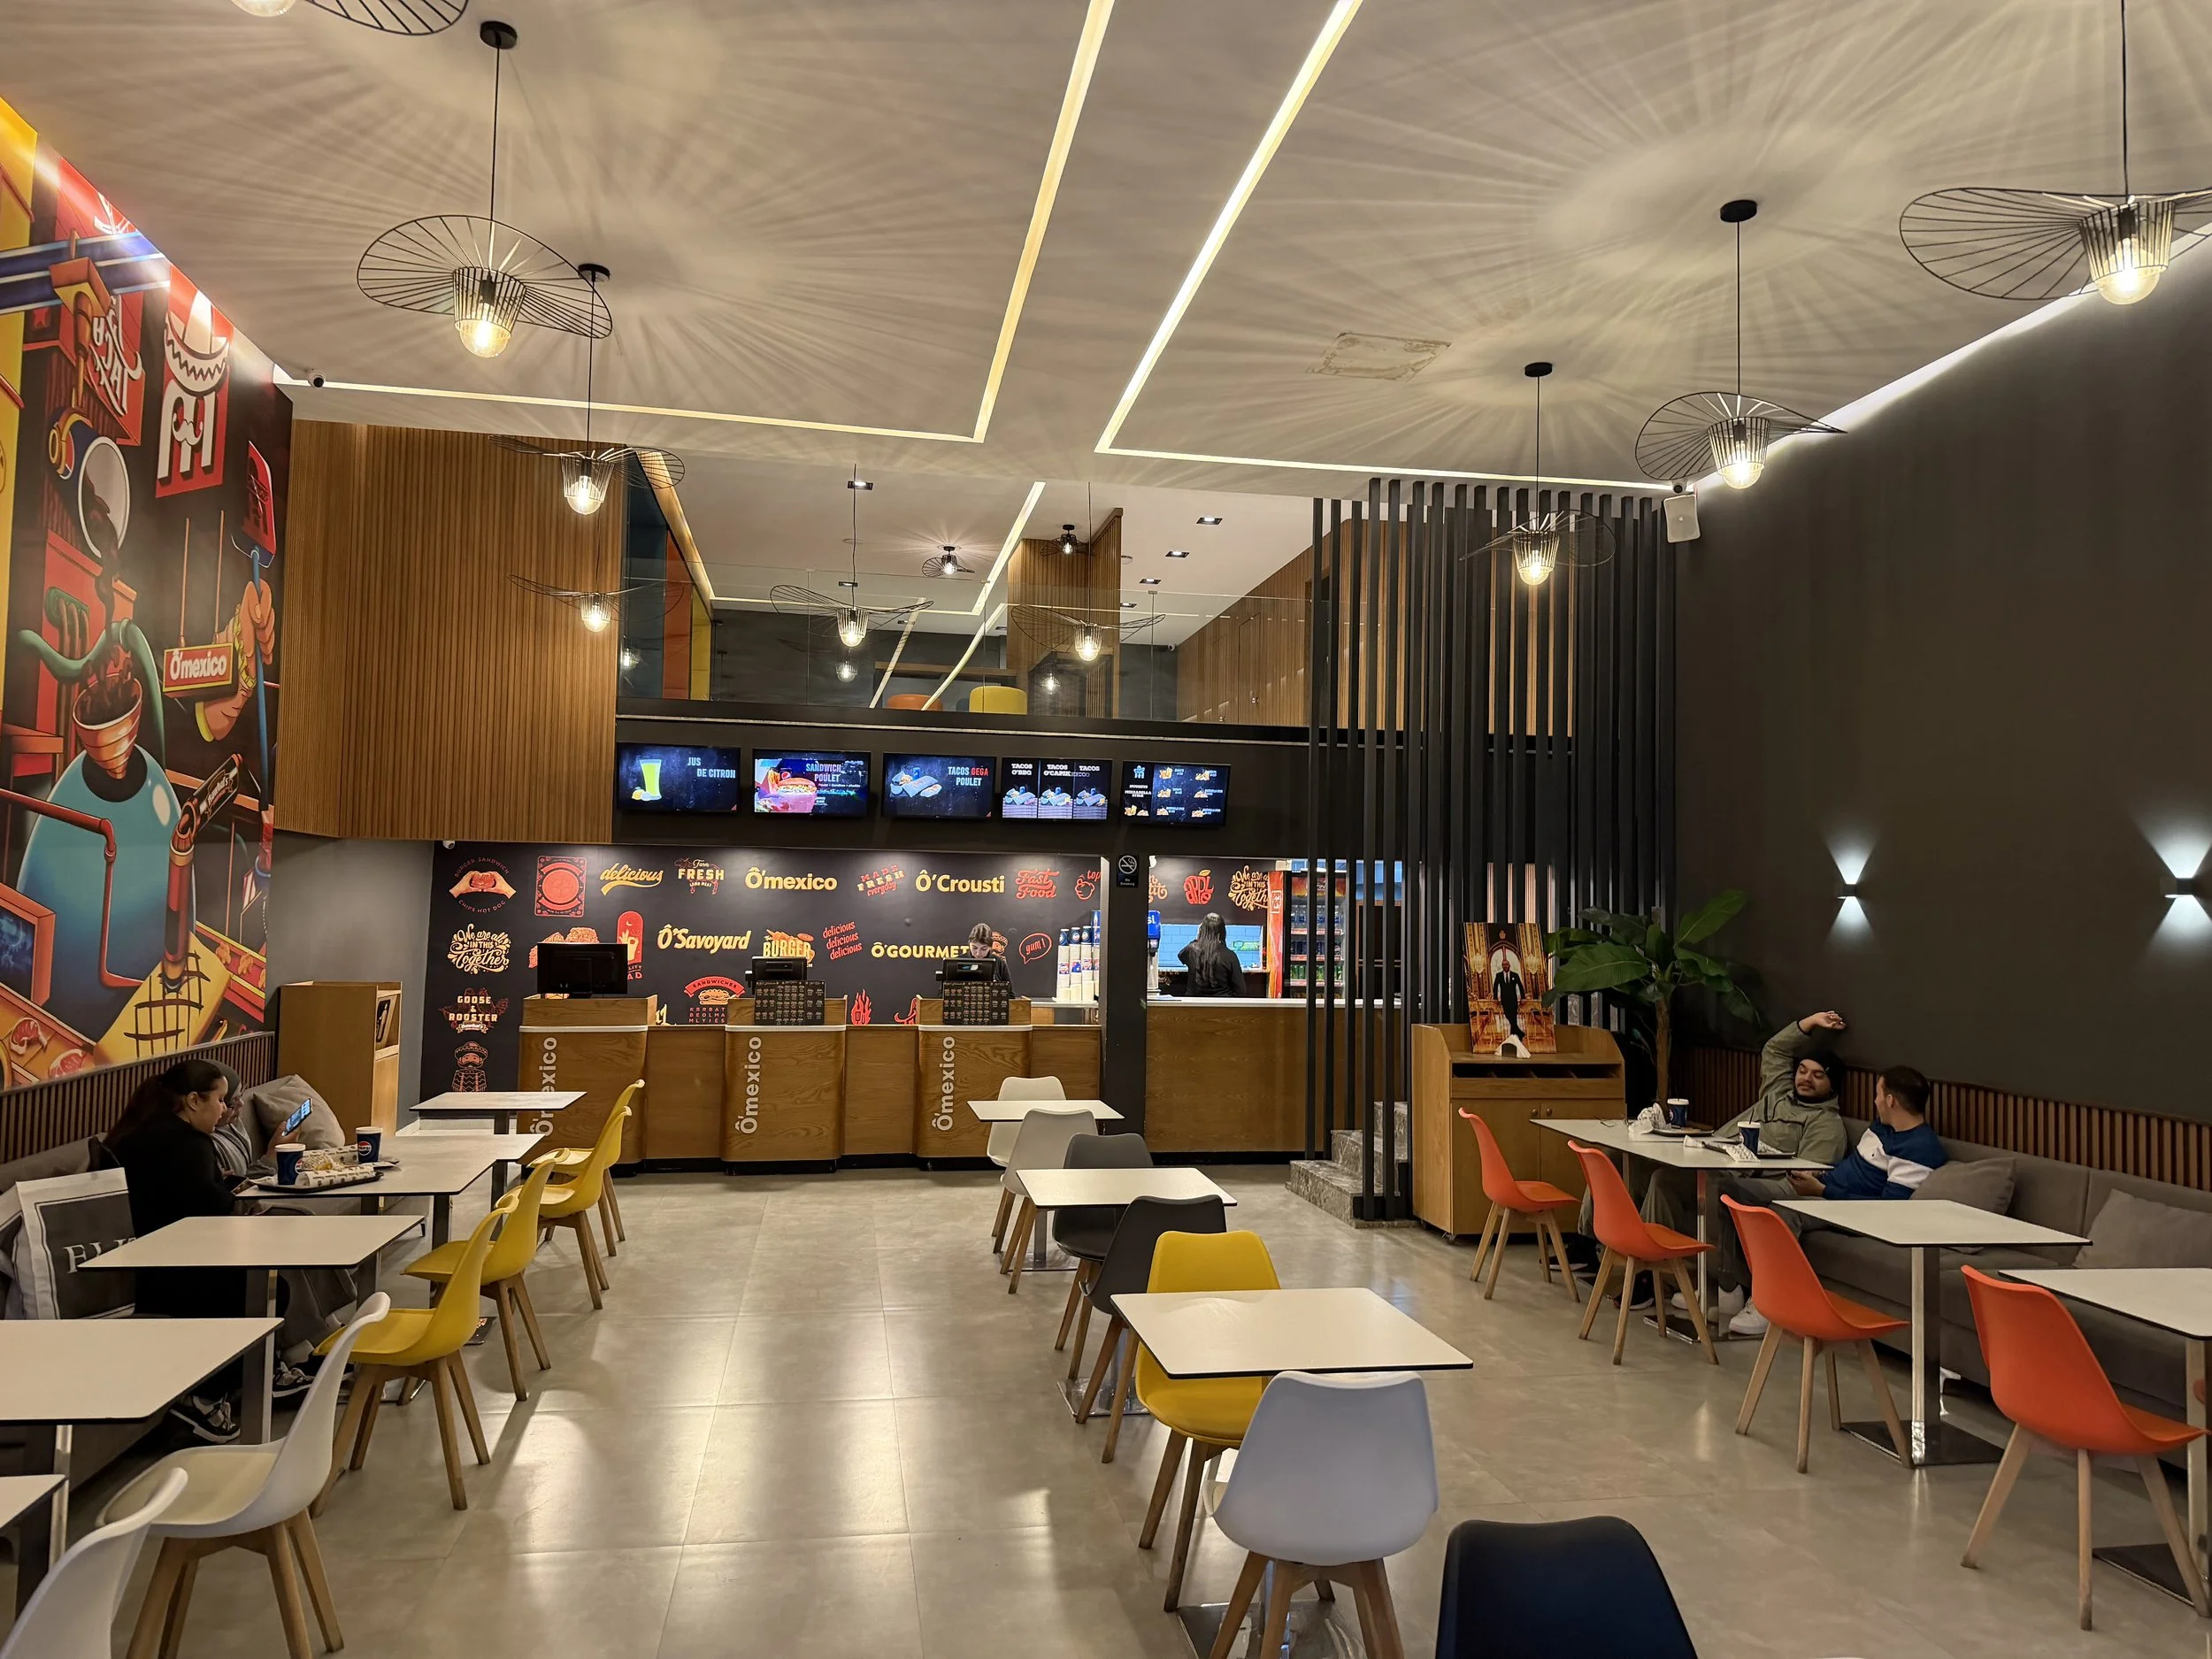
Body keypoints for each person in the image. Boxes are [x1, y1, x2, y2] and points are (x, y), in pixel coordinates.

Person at [104, 1059, 309, 1441]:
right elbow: (212, 1209)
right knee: (268, 1289)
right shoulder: (186, 1144)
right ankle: (206, 1396)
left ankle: (263, 1373)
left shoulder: (143, 1133)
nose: (224, 1110)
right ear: (194, 1100)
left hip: (146, 1260)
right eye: (220, 1100)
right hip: (169, 1270)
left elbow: (190, 1199)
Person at [1632, 1011, 1852, 1319]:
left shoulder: (1826, 1125)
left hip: (1757, 1184)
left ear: (1832, 1084)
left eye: (1818, 1075)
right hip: (1720, 1163)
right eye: (1802, 1071)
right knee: (1663, 1180)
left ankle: (1727, 1287)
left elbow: (1804, 1181)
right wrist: (1811, 1022)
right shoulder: (1777, 1093)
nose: (1805, 1078)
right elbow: (1774, 1050)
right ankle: (1655, 1276)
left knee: (1720, 1193)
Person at [1717, 1065, 1947, 1338]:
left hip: (1853, 1212)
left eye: (1877, 1094)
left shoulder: (1919, 1149)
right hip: (1827, 1193)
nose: (1874, 1101)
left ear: (1890, 1100)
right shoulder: (1882, 1127)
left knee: (1781, 1213)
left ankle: (1768, 1306)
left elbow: (1886, 1209)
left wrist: (1823, 1191)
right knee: (1731, 1191)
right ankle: (1732, 1289)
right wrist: (1819, 1175)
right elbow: (1854, 1170)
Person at [1179, 912, 1248, 996]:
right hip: (1222, 1002)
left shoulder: (1191, 950)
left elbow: (1181, 956)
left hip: (1194, 1002)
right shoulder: (1230, 955)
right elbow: (1241, 990)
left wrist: (1198, 938)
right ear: (1222, 932)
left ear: (1201, 930)